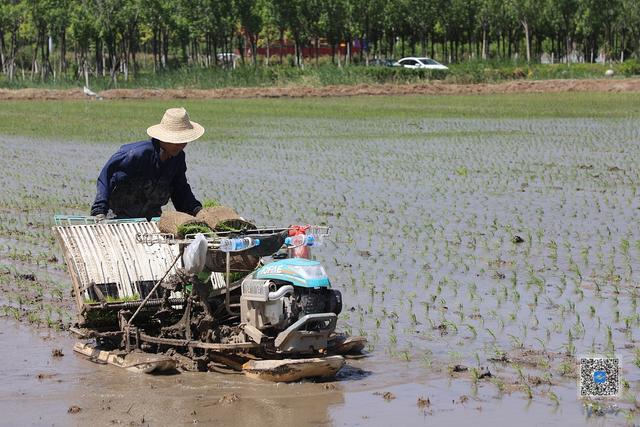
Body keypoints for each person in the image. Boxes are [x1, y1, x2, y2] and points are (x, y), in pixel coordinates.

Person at [90, 107, 204, 220]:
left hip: (149, 220)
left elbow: (181, 190)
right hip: (117, 217)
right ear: (163, 138)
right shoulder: (136, 154)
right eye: (176, 140)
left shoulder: (177, 159)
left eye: (183, 140)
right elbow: (107, 177)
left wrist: (196, 210)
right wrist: (99, 211)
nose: (181, 145)